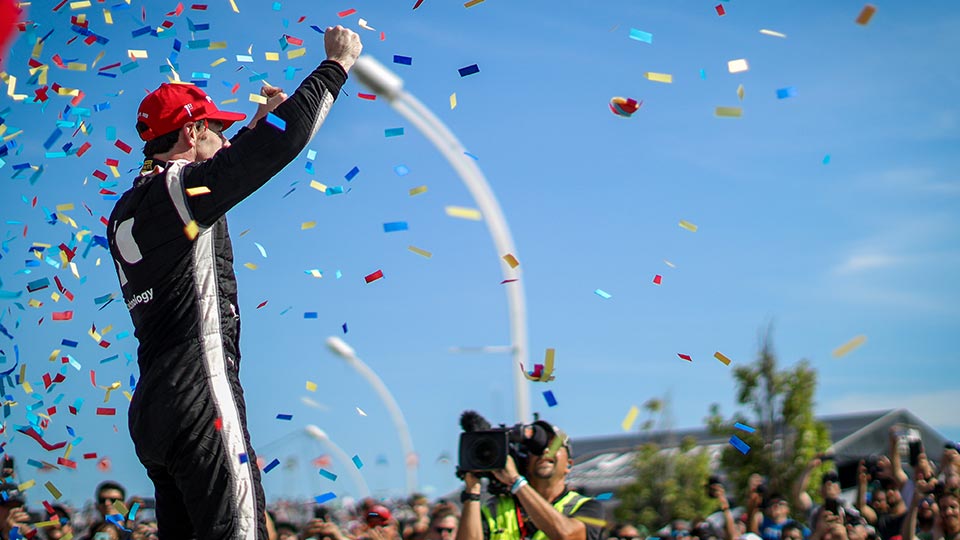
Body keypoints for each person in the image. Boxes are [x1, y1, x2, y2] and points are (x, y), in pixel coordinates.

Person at [106, 25, 362, 538]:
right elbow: (268, 152)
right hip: (201, 395)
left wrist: (252, 128)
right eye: (214, 128)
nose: (224, 134)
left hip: (155, 407)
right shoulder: (178, 189)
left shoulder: (128, 208)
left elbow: (224, 171)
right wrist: (335, 67)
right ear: (188, 134)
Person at [455, 421, 604, 540]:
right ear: (525, 460)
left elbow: (568, 535)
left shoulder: (588, 507)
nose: (545, 451)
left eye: (554, 445)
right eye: (535, 448)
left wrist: (516, 481)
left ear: (569, 465)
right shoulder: (495, 509)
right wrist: (472, 492)